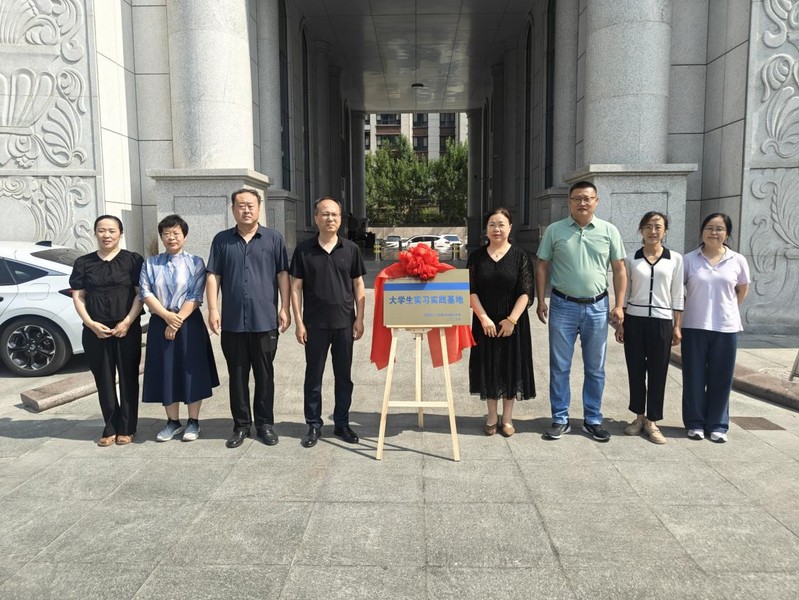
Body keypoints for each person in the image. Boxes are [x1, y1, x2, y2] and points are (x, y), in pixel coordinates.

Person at [536, 181, 627, 442]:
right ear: (569, 202)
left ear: (596, 201)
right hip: (562, 305)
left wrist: (619, 305)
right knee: (560, 367)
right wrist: (541, 300)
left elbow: (619, 269)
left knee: (595, 368)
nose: (582, 203)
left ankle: (593, 419)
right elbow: (542, 265)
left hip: (597, 307)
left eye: (587, 198)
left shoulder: (609, 231)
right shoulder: (555, 230)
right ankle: (560, 418)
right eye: (577, 198)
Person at [206, 189, 291, 449]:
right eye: (241, 205)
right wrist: (213, 309)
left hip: (265, 320)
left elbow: (282, 275)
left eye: (251, 205)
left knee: (265, 375)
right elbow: (213, 276)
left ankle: (265, 424)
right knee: (237, 375)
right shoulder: (222, 240)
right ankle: (241, 425)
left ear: (259, 208)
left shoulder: (273, 239)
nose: (246, 210)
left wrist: (285, 307)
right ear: (233, 209)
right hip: (233, 321)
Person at [290, 197, 366, 448]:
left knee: (344, 377)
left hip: (344, 323)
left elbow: (358, 285)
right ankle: (313, 424)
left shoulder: (351, 249)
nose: (329, 218)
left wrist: (360, 318)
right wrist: (299, 322)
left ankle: (342, 424)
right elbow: (295, 287)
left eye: (334, 214)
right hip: (314, 325)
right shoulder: (304, 250)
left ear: (340, 219)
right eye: (324, 214)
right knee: (314, 377)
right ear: (316, 218)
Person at [140, 214, 219, 442]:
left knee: (191, 370)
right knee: (167, 371)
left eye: (176, 233)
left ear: (184, 236)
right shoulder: (150, 263)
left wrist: (177, 320)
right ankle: (172, 421)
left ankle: (193, 421)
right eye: (166, 233)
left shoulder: (196, 262)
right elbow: (145, 292)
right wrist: (167, 317)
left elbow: (195, 295)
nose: (171, 237)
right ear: (161, 237)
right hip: (160, 322)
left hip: (189, 323)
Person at [70, 215, 144, 446]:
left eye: (112, 230)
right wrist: (90, 324)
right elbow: (78, 296)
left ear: (120, 233)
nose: (106, 235)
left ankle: (128, 428)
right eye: (101, 230)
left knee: (129, 378)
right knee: (103, 379)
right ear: (95, 233)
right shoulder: (83, 263)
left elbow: (140, 294)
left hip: (126, 329)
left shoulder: (133, 260)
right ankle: (110, 427)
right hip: (96, 331)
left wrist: (127, 322)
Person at [615, 212, 683, 444]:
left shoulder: (675, 259)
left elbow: (677, 294)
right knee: (635, 370)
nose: (653, 231)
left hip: (662, 321)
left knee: (658, 371)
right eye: (648, 227)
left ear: (665, 230)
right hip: (634, 320)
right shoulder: (631, 259)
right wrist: (620, 323)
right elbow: (625, 293)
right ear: (641, 230)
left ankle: (652, 421)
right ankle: (638, 417)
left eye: (658, 227)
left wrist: (677, 325)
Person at [681, 213, 750, 443]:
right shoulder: (689, 260)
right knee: (694, 377)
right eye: (709, 228)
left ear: (727, 234)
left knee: (721, 378)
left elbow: (742, 290)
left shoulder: (737, 260)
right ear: (702, 231)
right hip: (694, 325)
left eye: (719, 228)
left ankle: (718, 425)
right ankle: (695, 423)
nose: (714, 232)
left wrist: (727, 309)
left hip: (726, 328)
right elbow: (678, 291)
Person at [468, 208, 535, 437]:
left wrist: (511, 320)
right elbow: (470, 290)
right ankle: (491, 416)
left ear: (510, 227)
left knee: (510, 366)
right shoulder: (476, 257)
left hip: (513, 323)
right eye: (492, 225)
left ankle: (507, 419)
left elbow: (526, 292)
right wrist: (483, 317)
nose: (496, 229)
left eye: (501, 224)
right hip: (484, 322)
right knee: (488, 365)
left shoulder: (520, 256)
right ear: (486, 229)